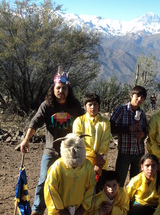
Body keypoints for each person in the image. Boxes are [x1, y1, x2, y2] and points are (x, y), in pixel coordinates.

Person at [20, 68, 84, 215]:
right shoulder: (47, 106)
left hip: (70, 153)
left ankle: (66, 209)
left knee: (69, 182)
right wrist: (26, 140)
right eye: (58, 88)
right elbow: (35, 122)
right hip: (51, 151)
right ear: (53, 89)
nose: (61, 90)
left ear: (69, 90)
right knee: (44, 180)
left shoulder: (74, 106)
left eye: (64, 88)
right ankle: (37, 209)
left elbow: (85, 121)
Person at [44, 134, 96, 215]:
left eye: (78, 147)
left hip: (81, 211)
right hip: (60, 212)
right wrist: (61, 211)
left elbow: (91, 188)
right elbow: (50, 189)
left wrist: (82, 209)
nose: (74, 150)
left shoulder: (87, 166)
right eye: (69, 148)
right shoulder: (57, 166)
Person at [73, 93, 111, 193]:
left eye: (95, 104)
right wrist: (94, 159)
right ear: (85, 107)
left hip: (101, 165)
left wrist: (98, 163)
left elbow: (105, 143)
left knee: (99, 193)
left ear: (99, 106)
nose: (93, 107)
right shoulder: (79, 121)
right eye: (90, 105)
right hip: (83, 163)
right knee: (83, 192)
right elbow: (78, 142)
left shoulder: (105, 122)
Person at [110, 85, 148, 187]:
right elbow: (111, 127)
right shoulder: (121, 110)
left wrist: (143, 134)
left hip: (139, 152)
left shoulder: (142, 114)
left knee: (136, 182)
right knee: (120, 179)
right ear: (131, 95)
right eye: (137, 96)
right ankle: (118, 200)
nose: (139, 99)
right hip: (125, 152)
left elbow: (146, 130)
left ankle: (132, 202)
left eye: (142, 98)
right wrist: (128, 129)